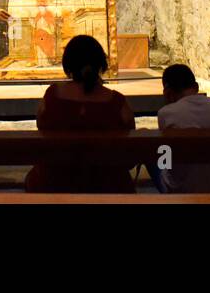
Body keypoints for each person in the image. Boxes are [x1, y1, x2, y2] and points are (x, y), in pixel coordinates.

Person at [26, 34, 135, 194]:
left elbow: (41, 128)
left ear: (68, 64)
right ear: (101, 64)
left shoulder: (52, 97)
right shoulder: (117, 103)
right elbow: (129, 159)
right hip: (109, 186)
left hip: (54, 184)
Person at [151, 63, 210, 193]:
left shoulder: (166, 113)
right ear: (196, 87)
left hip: (182, 188)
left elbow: (166, 157)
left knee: (154, 152)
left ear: (167, 92)